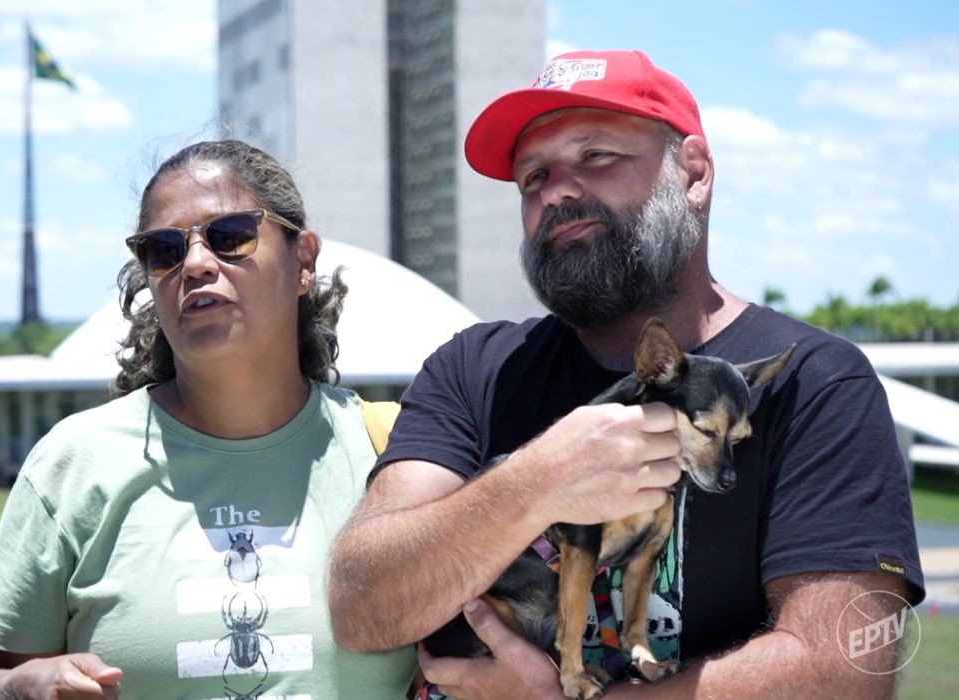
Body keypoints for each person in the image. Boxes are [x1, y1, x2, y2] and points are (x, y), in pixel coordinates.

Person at [328, 50, 924, 698]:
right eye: (533, 177)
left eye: (596, 157)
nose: (556, 190)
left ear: (693, 173)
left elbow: (839, 675)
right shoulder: (476, 370)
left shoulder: (814, 385)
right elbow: (363, 606)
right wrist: (539, 479)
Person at [0, 140, 416, 700]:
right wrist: (18, 689)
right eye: (164, 250)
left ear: (303, 262)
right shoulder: (74, 464)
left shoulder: (398, 454)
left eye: (229, 236)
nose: (195, 264)